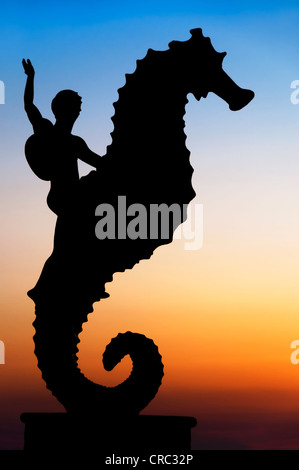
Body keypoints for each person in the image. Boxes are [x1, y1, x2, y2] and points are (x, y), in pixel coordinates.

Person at [22, 58, 106, 215]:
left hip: (71, 193)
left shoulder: (76, 142)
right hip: (64, 197)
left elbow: (98, 162)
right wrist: (30, 77)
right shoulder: (49, 130)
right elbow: (29, 105)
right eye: (75, 108)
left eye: (78, 109)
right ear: (63, 110)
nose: (78, 112)